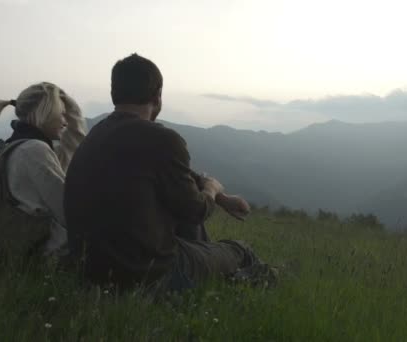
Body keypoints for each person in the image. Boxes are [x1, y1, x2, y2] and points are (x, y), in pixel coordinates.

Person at [64, 53, 270, 291]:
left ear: (113, 94)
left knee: (186, 225)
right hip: (146, 273)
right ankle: (255, 283)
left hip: (91, 272)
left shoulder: (94, 137)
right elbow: (196, 210)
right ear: (157, 95)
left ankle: (210, 275)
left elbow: (171, 174)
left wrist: (220, 196)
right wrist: (212, 190)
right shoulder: (162, 140)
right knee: (240, 251)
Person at [0, 82, 86, 256]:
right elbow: (69, 211)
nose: (64, 122)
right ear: (47, 113)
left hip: (15, 252)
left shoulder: (15, 145)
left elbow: (69, 152)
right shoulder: (34, 150)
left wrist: (71, 111)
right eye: (62, 114)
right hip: (42, 256)